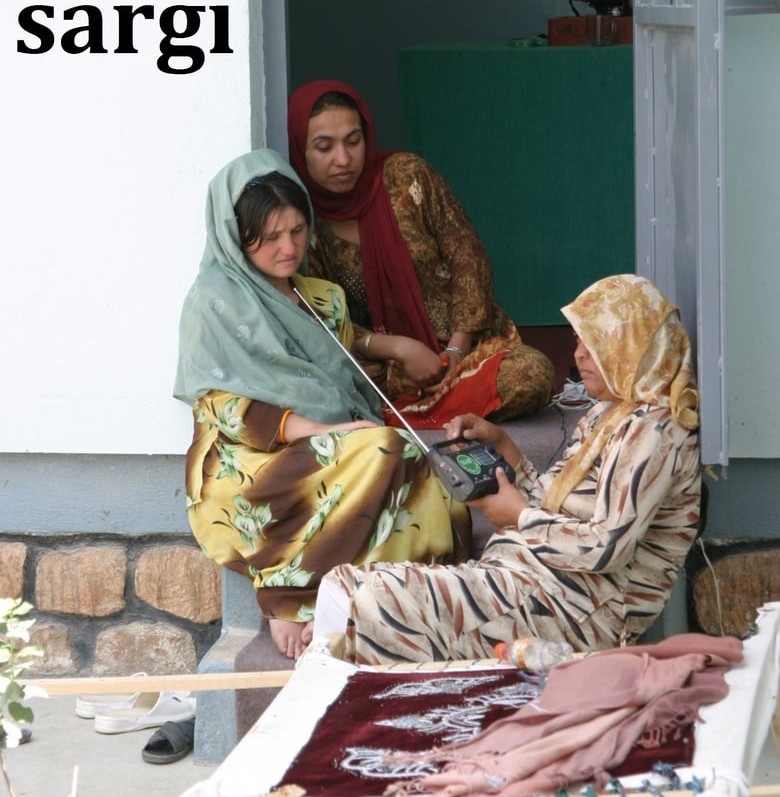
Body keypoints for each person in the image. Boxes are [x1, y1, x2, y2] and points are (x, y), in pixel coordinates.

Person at [313, 274, 702, 664]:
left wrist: (518, 516)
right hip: (532, 578)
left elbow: (605, 548)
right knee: (341, 584)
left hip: (581, 609)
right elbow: (552, 506)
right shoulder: (610, 413)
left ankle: (339, 705)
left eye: (595, 343)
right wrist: (501, 445)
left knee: (376, 601)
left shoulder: (655, 432)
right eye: (580, 341)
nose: (579, 354)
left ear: (631, 347)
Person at [174, 149, 470, 659]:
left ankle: (378, 602)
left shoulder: (322, 296)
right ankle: (291, 599)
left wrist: (395, 349)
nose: (288, 248)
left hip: (334, 437)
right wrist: (314, 429)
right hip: (253, 457)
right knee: (381, 451)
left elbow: (337, 348)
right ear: (234, 235)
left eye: (297, 231)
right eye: (269, 238)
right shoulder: (213, 302)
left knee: (420, 468)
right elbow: (220, 404)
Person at [287, 79, 555, 427]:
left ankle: (407, 412)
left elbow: (468, 258)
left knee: (532, 375)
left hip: (463, 351)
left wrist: (456, 352)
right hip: (386, 364)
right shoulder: (304, 225)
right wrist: (400, 349)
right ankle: (437, 409)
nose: (343, 159)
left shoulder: (407, 176)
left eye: (353, 141)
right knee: (318, 388)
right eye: (324, 147)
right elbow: (324, 317)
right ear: (300, 150)